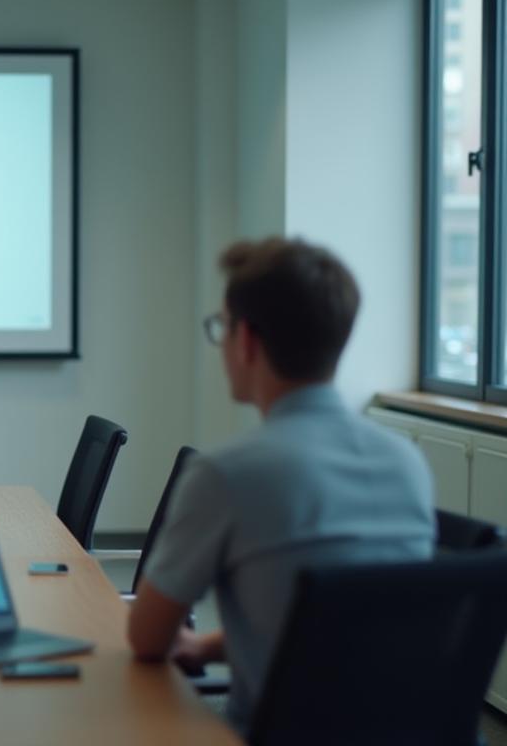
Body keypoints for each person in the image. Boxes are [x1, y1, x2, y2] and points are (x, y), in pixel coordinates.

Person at [127, 237, 435, 733]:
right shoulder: (407, 463)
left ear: (247, 340)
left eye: (222, 328)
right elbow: (345, 630)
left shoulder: (228, 474)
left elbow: (147, 638)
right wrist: (208, 646)